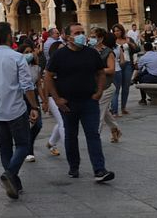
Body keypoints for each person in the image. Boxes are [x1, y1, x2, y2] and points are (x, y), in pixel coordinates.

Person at [0, 22, 40, 199]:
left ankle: (14, 183)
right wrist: (34, 106)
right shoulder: (17, 57)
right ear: (9, 37)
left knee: (5, 147)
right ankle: (10, 174)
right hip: (16, 109)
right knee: (23, 144)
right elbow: (27, 86)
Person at [45, 23, 114, 183]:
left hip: (89, 101)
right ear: (68, 37)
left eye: (82, 32)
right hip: (68, 103)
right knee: (70, 135)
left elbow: (100, 72)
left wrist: (99, 92)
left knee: (93, 134)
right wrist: (56, 99)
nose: (81, 35)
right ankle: (73, 166)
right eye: (77, 33)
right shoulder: (60, 55)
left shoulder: (91, 53)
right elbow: (48, 76)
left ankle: (99, 169)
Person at [92, 28, 122, 143]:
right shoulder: (90, 50)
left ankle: (95, 138)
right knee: (105, 113)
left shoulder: (108, 52)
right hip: (95, 86)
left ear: (101, 38)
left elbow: (111, 70)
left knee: (98, 112)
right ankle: (115, 129)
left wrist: (97, 70)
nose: (92, 39)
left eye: (94, 36)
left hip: (106, 87)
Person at [110, 24, 136, 116]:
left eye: (118, 30)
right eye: (115, 31)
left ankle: (123, 107)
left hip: (128, 64)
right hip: (116, 65)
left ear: (122, 31)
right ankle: (114, 109)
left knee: (126, 87)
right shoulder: (111, 41)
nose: (116, 32)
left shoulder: (127, 39)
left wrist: (130, 43)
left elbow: (136, 49)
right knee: (116, 88)